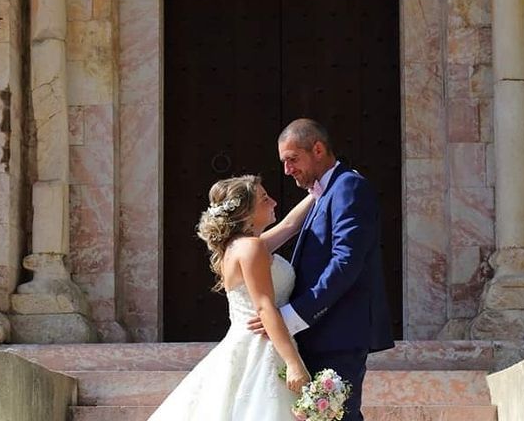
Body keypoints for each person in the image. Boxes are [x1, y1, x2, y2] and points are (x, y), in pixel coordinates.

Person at [249, 118, 394, 421]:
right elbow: (287, 228)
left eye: (292, 159)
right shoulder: (322, 193)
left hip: (339, 335)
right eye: (284, 162)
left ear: (317, 149)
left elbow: (345, 262)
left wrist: (291, 316)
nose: (287, 170)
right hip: (318, 337)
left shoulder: (348, 187)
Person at [148, 175, 314, 420]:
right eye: (264, 199)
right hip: (262, 347)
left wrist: (319, 190)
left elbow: (290, 225)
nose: (274, 202)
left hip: (245, 343)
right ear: (246, 213)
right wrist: (293, 363)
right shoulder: (252, 248)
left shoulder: (240, 247)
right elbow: (265, 307)